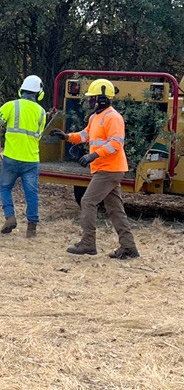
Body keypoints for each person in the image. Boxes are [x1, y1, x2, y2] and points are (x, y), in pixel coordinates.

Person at [54, 79, 139, 259]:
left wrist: (93, 156)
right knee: (115, 209)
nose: (89, 101)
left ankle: (88, 243)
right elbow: (85, 135)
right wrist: (67, 136)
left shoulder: (113, 117)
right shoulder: (95, 117)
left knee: (87, 202)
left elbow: (115, 144)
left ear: (102, 98)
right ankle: (129, 247)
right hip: (105, 168)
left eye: (92, 98)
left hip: (110, 169)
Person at [0, 75, 47, 239]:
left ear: (22, 90)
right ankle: (32, 229)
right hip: (31, 160)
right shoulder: (42, 112)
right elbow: (38, 135)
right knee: (31, 194)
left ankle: (10, 217)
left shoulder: (11, 106)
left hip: (11, 158)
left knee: (5, 188)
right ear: (38, 93)